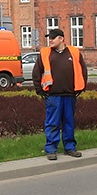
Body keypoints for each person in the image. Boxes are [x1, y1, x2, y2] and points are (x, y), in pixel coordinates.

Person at [32, 28, 87, 160]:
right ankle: (51, 149)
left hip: (69, 95)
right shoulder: (45, 53)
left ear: (61, 39)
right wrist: (39, 90)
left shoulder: (74, 52)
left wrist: (81, 88)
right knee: (52, 123)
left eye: (53, 38)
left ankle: (70, 147)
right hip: (53, 96)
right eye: (49, 38)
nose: (50, 40)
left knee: (69, 122)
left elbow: (82, 70)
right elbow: (36, 72)